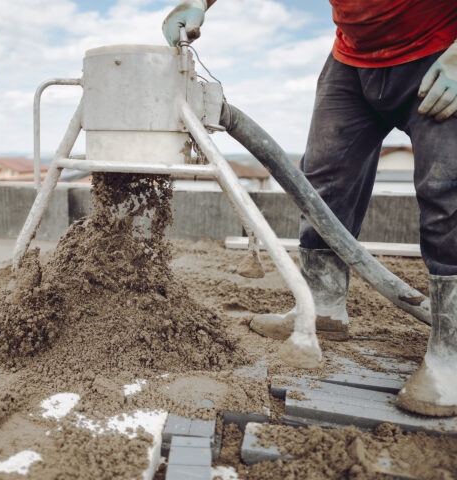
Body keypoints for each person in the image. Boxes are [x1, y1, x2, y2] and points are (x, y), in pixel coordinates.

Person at [162, 1, 457, 417]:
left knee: (447, 191)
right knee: (323, 181)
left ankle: (451, 351)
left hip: (442, 52)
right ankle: (323, 307)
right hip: (353, 59)